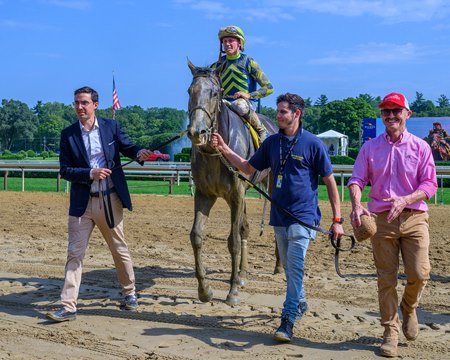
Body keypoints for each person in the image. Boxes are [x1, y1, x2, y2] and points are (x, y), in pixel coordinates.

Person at [211, 93, 344, 342]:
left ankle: (287, 320)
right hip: (279, 217)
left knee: (294, 267)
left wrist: (337, 220)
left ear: (297, 114)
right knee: (290, 269)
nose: (278, 115)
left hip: (304, 218)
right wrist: (224, 148)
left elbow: (330, 182)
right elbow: (248, 168)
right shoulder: (272, 143)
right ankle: (301, 300)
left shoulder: (313, 144)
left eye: (283, 111)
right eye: (278, 111)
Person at [46, 86, 153, 322]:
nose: (79, 107)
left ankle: (130, 293)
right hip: (81, 204)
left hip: (110, 200)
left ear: (95, 104)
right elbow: (65, 171)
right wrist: (90, 173)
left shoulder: (110, 127)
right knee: (74, 254)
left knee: (119, 249)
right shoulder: (68, 134)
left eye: (84, 103)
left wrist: (140, 153)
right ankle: (68, 306)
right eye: (76, 103)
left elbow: (129, 147)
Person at [348, 92, 437, 357]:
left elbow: (430, 184)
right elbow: (356, 180)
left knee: (420, 274)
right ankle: (390, 332)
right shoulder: (370, 147)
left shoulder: (421, 147)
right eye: (386, 111)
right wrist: (356, 204)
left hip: (414, 218)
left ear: (407, 114)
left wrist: (406, 199)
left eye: (396, 111)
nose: (390, 116)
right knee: (386, 279)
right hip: (381, 222)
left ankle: (409, 307)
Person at [212, 25, 274, 141]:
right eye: (225, 41)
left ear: (240, 43)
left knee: (239, 105)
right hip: (223, 103)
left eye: (231, 40)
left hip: (245, 104)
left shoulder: (249, 62)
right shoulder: (216, 66)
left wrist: (249, 95)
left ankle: (262, 131)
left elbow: (269, 88)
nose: (227, 44)